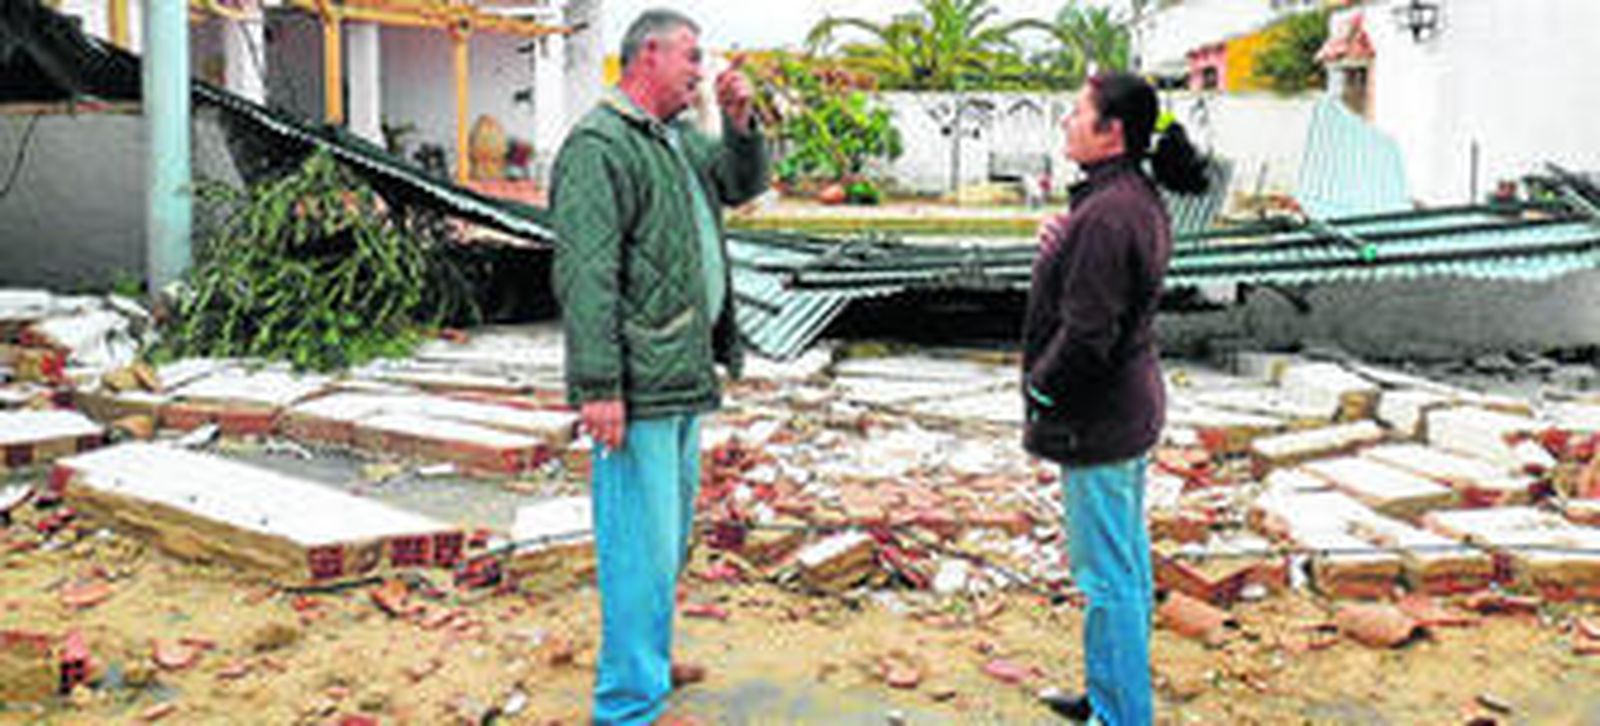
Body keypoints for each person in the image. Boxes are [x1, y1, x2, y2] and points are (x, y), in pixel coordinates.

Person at [547, 8, 767, 725]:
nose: (701, 71)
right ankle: (627, 705)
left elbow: (738, 183)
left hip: (681, 372)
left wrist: (739, 121)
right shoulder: (599, 146)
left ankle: (649, 661)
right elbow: (586, 276)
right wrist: (599, 386)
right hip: (637, 385)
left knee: (665, 541)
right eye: (691, 58)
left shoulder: (673, 140)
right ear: (648, 56)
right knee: (636, 549)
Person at [1021, 72, 1209, 726]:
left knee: (1108, 579)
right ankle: (1109, 699)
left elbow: (1089, 332)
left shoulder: (1107, 212)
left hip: (1098, 419)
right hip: (1126, 410)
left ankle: (1123, 715)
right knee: (1119, 569)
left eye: (1078, 113)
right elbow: (1104, 284)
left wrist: (1041, 388)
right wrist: (1062, 243)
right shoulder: (1126, 199)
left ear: (1112, 132)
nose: (1067, 123)